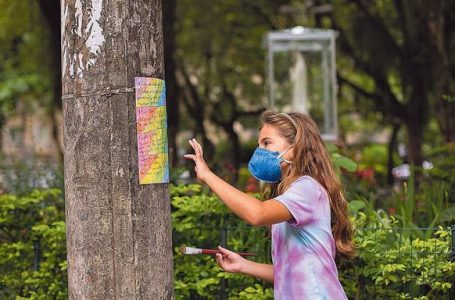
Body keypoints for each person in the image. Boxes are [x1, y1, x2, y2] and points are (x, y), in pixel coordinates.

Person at [184, 111, 354, 299]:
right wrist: (243, 265)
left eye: (266, 143)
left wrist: (208, 175)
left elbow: (257, 213)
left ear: (295, 147)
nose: (260, 151)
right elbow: (291, 273)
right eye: (259, 145)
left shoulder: (308, 189)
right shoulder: (289, 199)